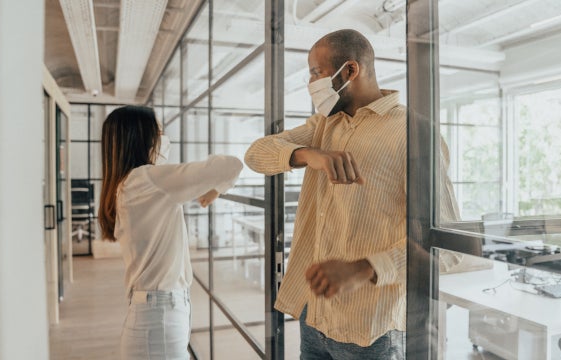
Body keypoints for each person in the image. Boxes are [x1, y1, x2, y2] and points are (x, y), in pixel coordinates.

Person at [245, 29, 457, 359]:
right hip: (313, 317)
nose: (310, 82)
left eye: (316, 72)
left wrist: (364, 268)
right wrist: (308, 154)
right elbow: (256, 154)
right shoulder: (325, 126)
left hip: (371, 332)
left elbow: (446, 247)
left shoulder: (414, 133)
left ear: (350, 71)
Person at [98, 105, 243, 360]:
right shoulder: (147, 179)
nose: (164, 137)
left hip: (155, 312)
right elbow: (230, 165)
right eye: (159, 130)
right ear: (142, 136)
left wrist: (214, 188)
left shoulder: (129, 183)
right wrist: (216, 189)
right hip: (159, 317)